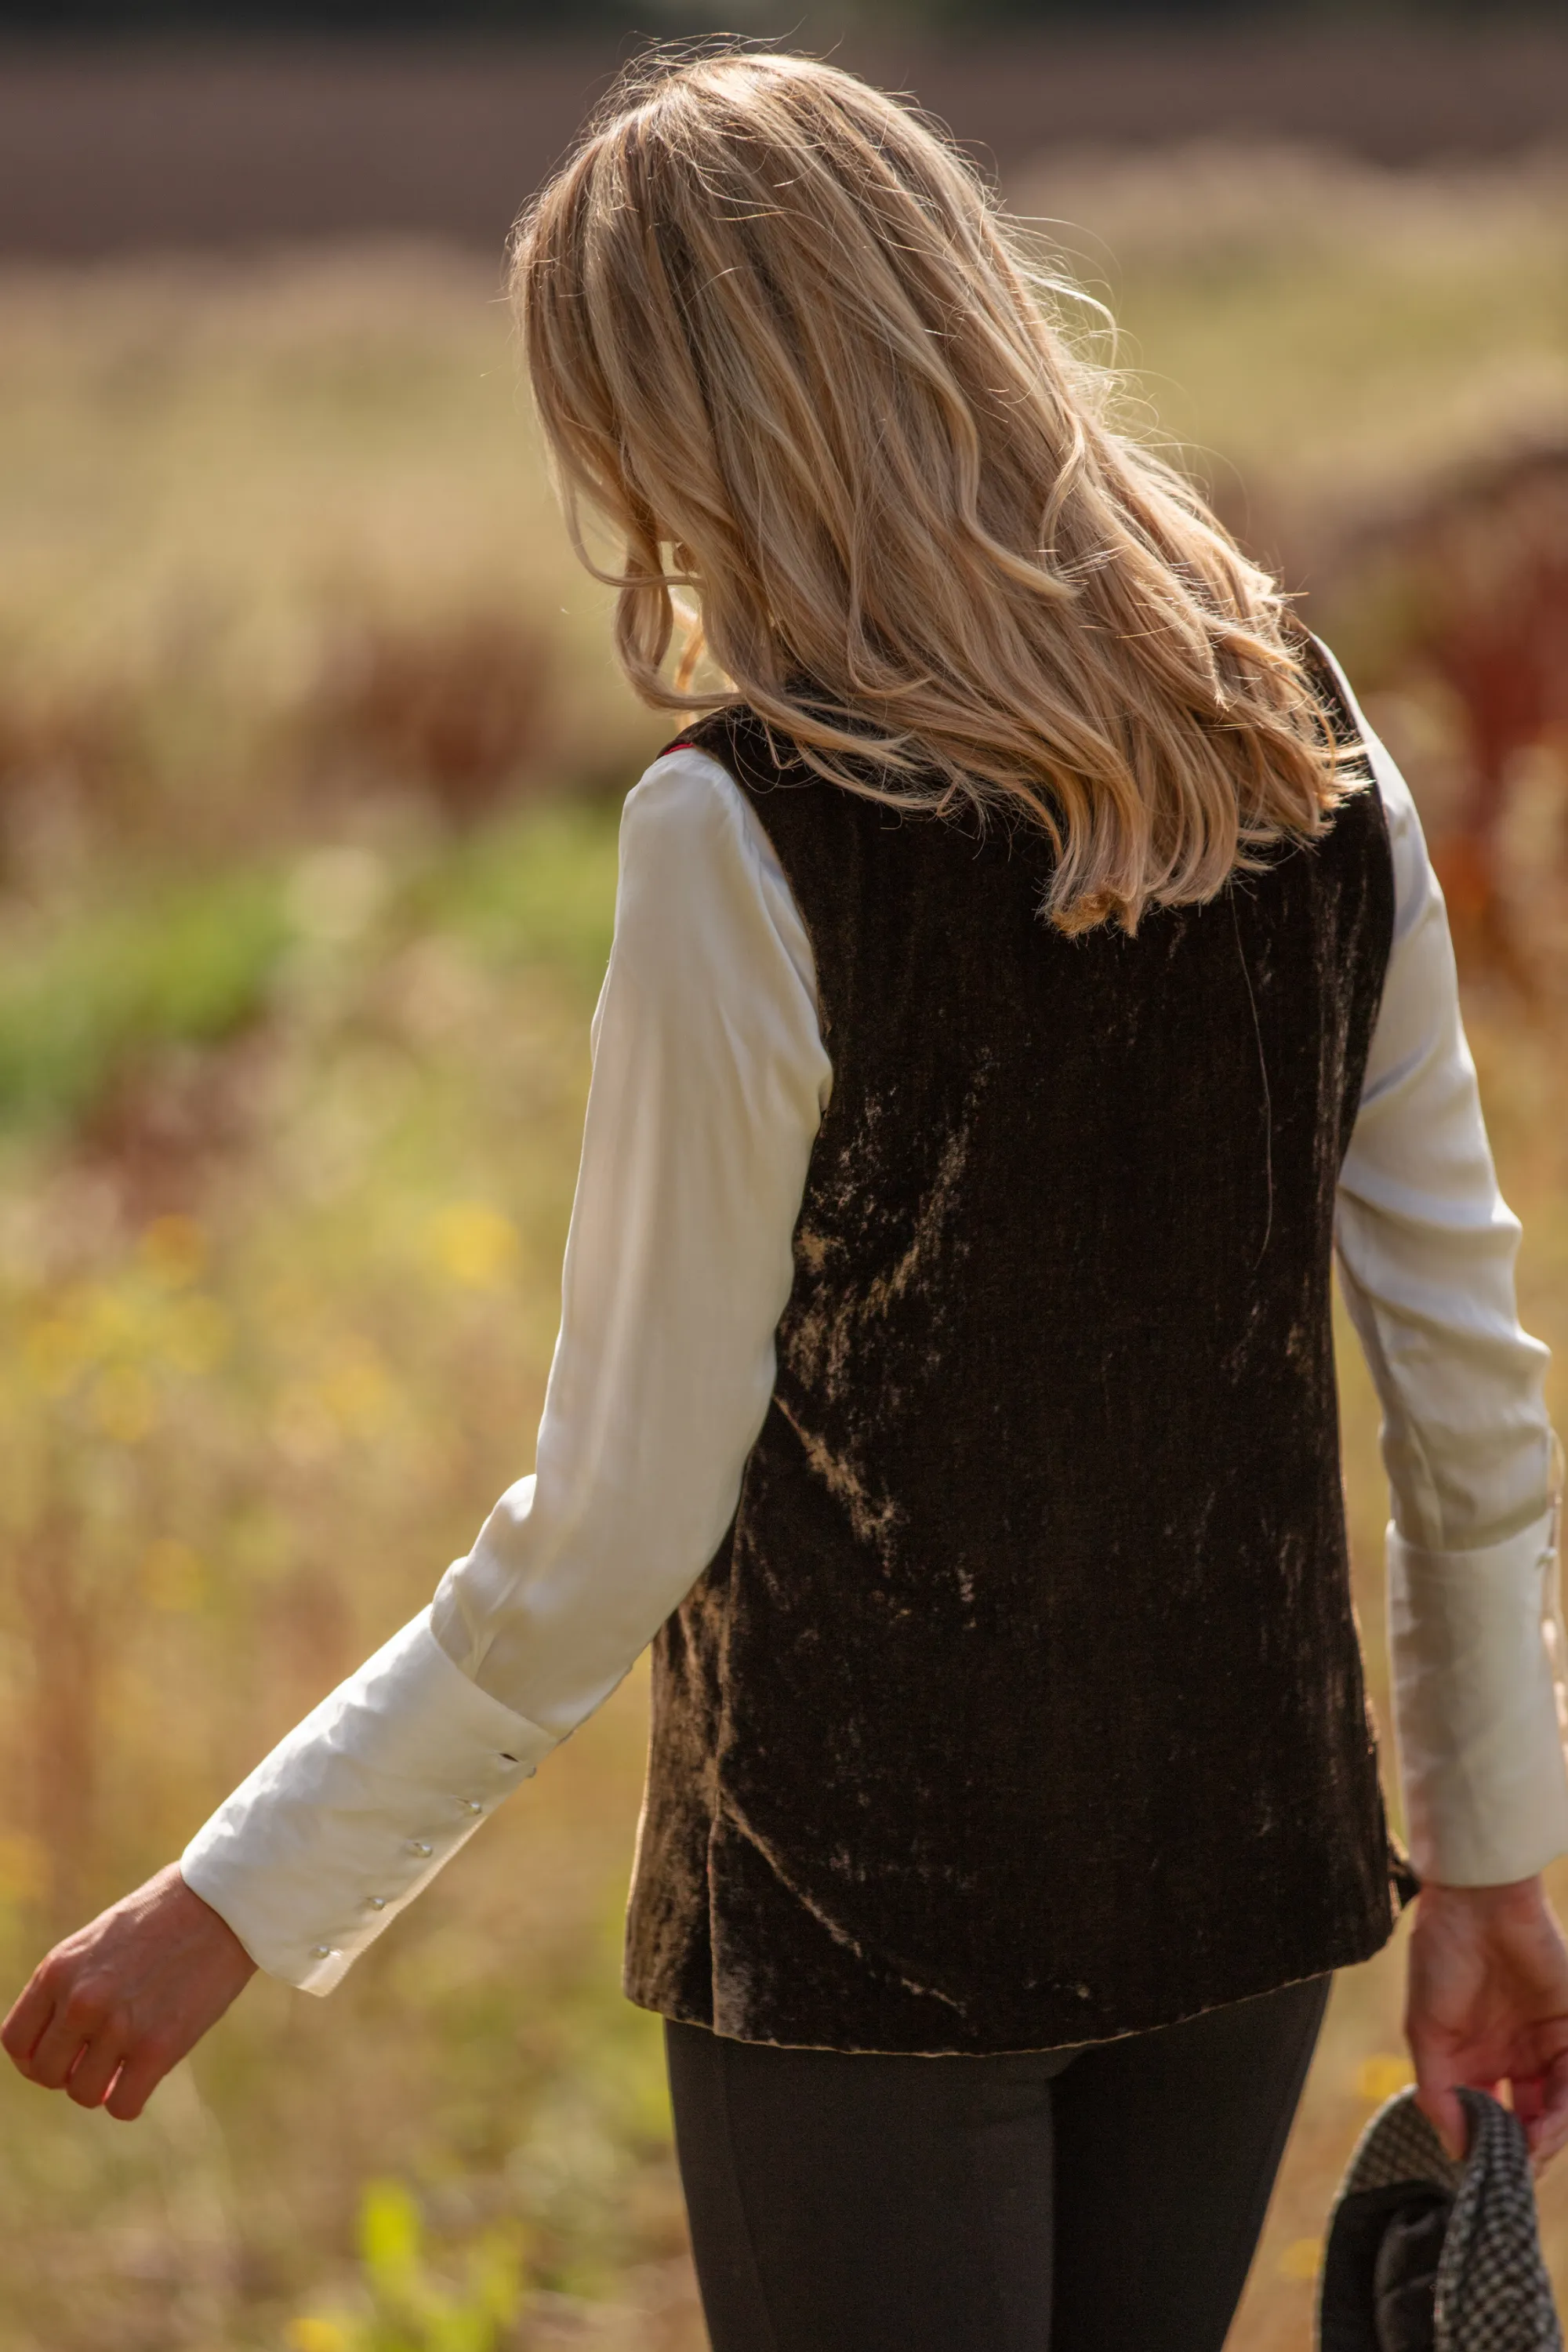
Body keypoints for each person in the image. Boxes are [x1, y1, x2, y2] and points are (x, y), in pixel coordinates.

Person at [5, 51, 1567, 2352]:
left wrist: (228, 1900)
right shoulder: (1303, 745)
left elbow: (617, 1522)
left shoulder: (742, 834)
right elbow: (1470, 1389)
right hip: (1244, 1893)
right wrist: (1500, 1861)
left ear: (687, 440)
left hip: (862, 1940)